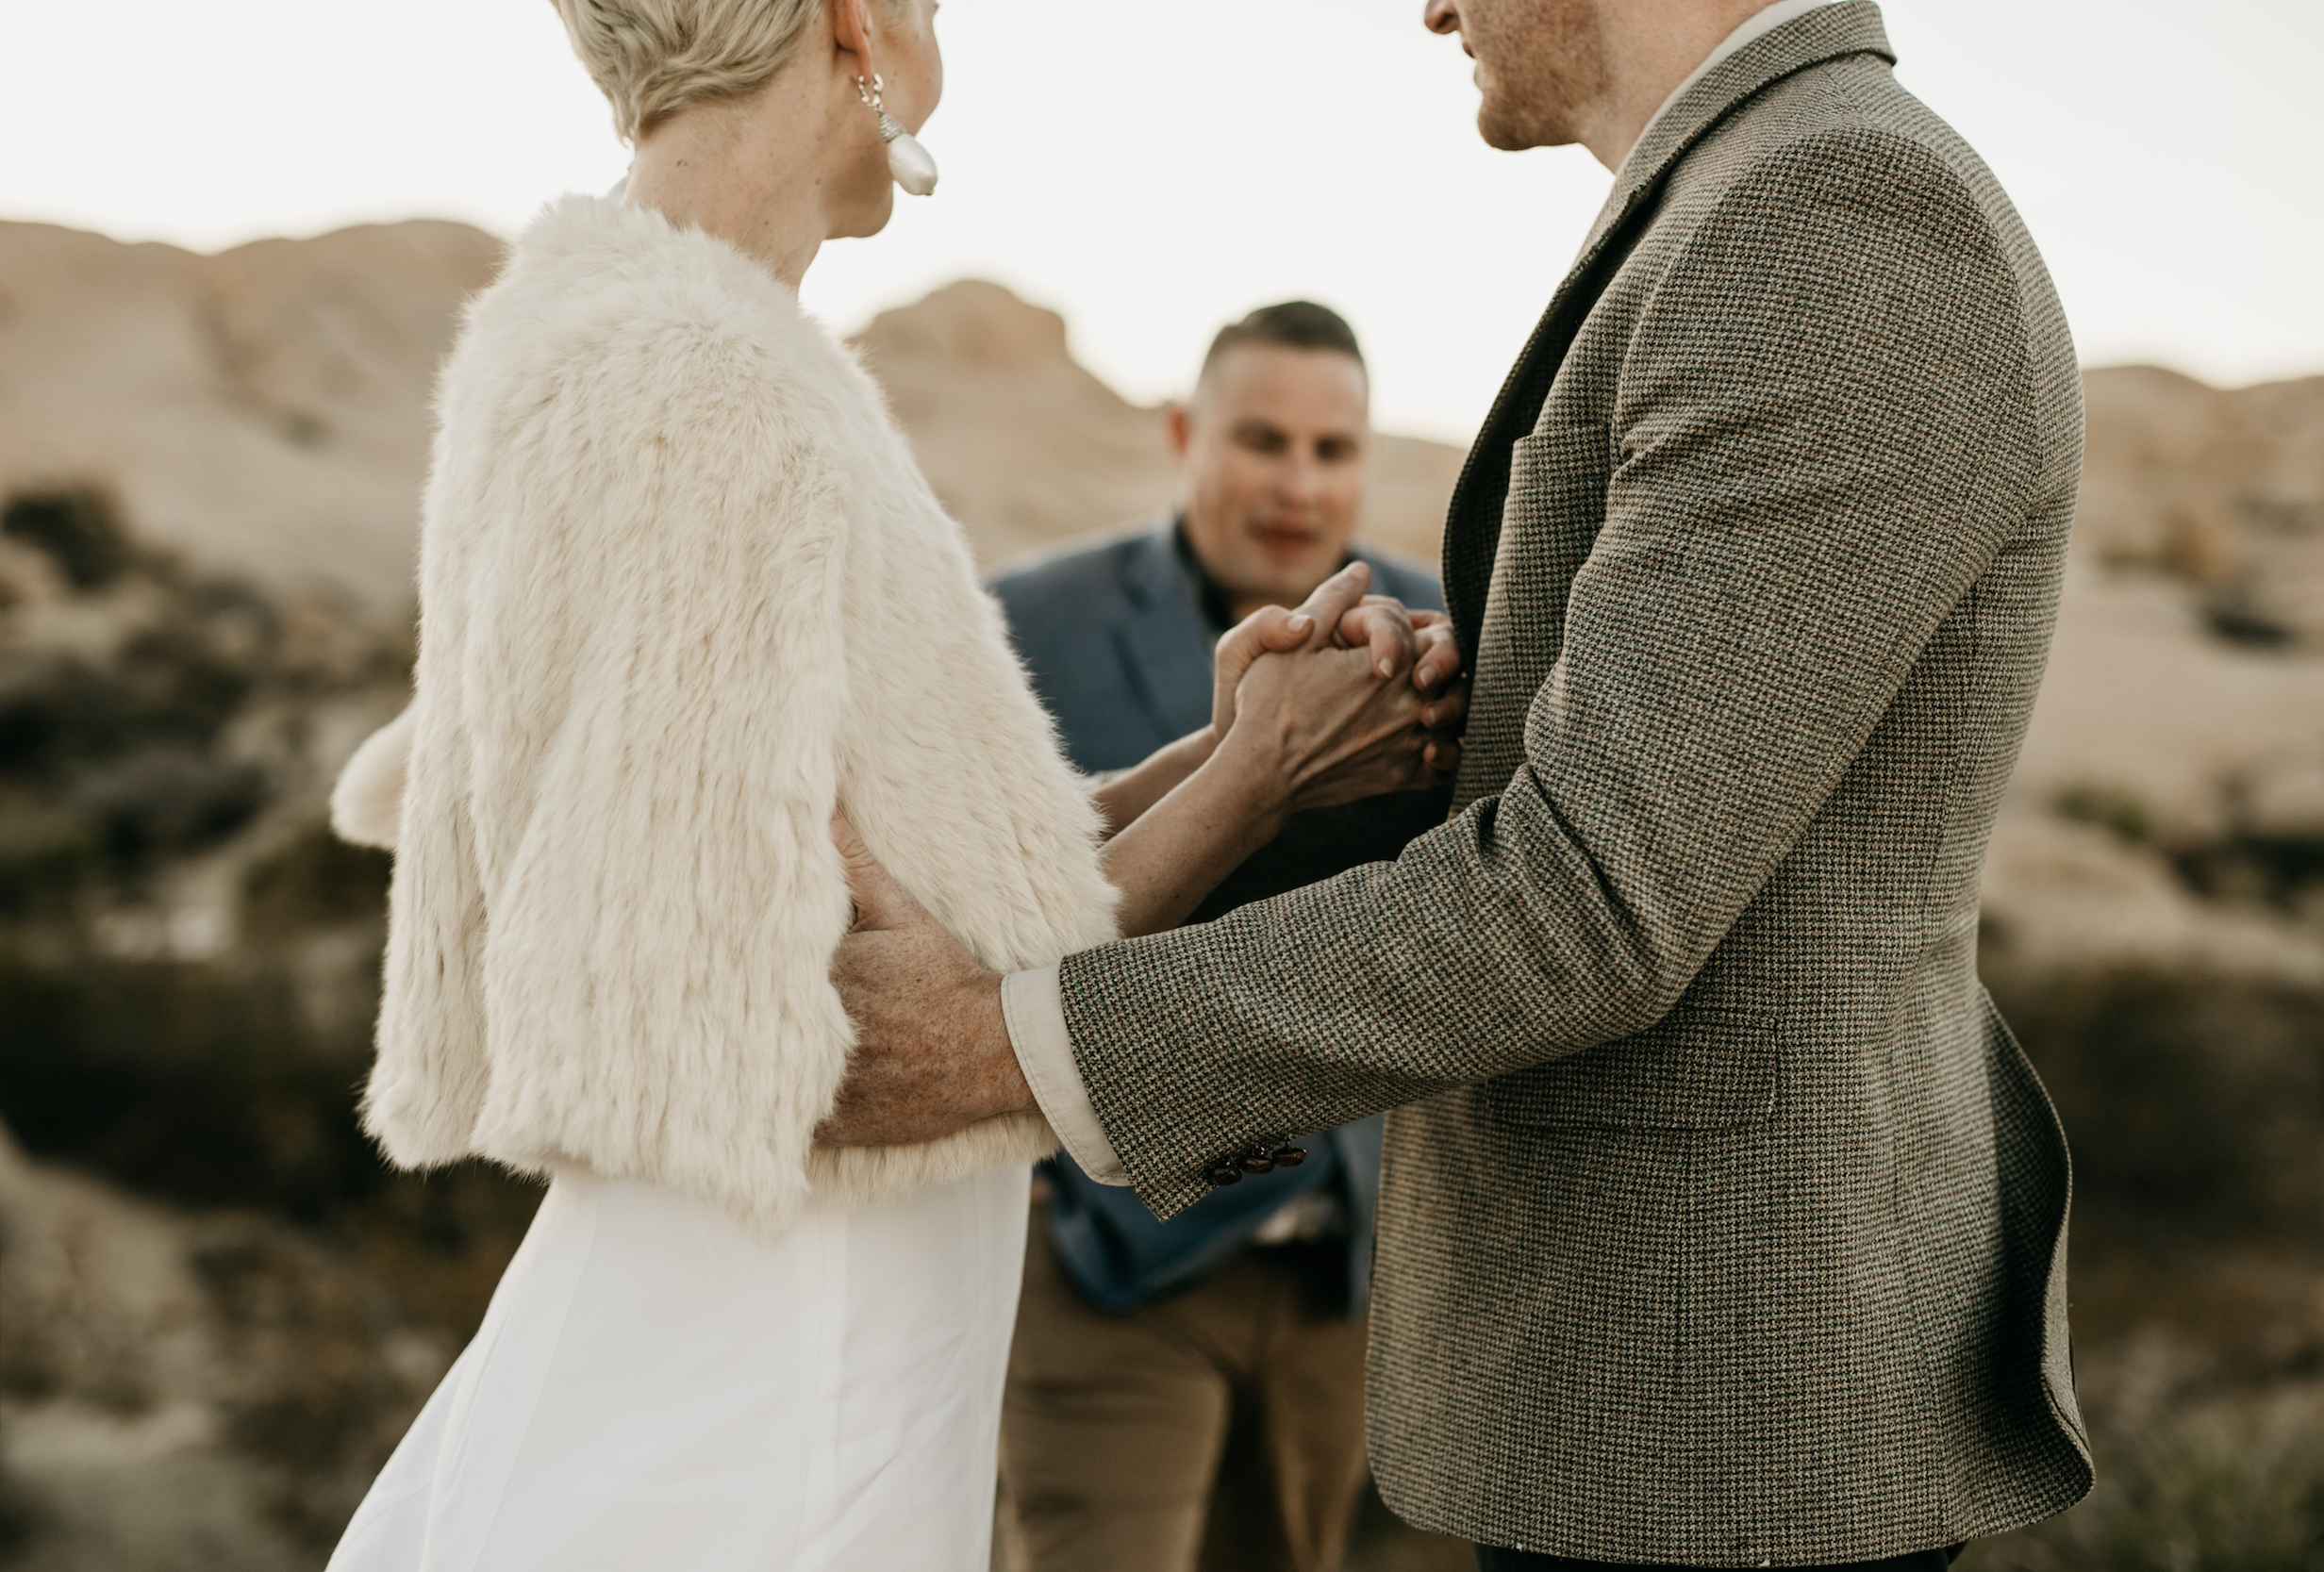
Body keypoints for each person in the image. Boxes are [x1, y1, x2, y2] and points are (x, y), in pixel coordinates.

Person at [820, 2, 2097, 1568]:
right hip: (1636, 1390)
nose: (1429, 4)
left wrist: (1006, 1045)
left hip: (1721, 1414)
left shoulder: (1831, 216)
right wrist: (1305, 755)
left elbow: (1588, 902)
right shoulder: (1745, 197)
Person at [315, 3, 1466, 1569]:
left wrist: (1217, 750)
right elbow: (782, 1023)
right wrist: (1260, 778)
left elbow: (919, 885)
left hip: (824, 1315)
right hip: (779, 1356)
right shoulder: (697, 386)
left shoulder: (635, 345)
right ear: (856, 25)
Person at [989, 301, 1446, 1572]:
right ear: (1188, 434)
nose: (1300, 485)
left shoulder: (1443, 632)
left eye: (1332, 450)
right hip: (1107, 1268)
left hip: (1344, 1283)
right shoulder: (1025, 625)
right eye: (1262, 441)